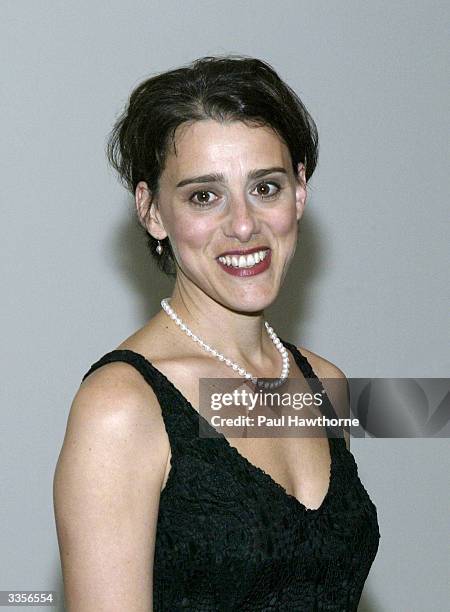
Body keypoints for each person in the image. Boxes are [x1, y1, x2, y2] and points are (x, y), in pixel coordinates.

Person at [53, 55, 380, 611]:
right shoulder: (122, 408)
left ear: (300, 191)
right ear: (152, 211)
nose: (244, 224)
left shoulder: (326, 384)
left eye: (266, 187)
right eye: (204, 195)